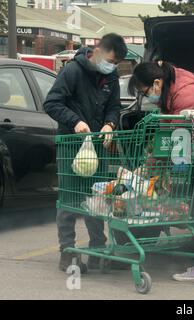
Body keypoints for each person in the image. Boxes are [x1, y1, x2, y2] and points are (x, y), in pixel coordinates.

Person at [128, 60, 194, 282]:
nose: (146, 97)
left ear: (156, 83)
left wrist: (150, 167)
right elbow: (168, 133)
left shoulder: (184, 95)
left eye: (144, 92)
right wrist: (150, 164)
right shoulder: (170, 93)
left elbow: (174, 138)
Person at [44, 33, 127, 273]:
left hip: (98, 146)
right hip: (73, 145)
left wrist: (110, 124)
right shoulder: (72, 72)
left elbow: (114, 106)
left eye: (115, 63)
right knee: (70, 200)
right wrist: (75, 122)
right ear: (97, 50)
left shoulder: (110, 77)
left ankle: (97, 251)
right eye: (109, 60)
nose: (110, 66)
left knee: (97, 200)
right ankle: (67, 253)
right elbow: (51, 103)